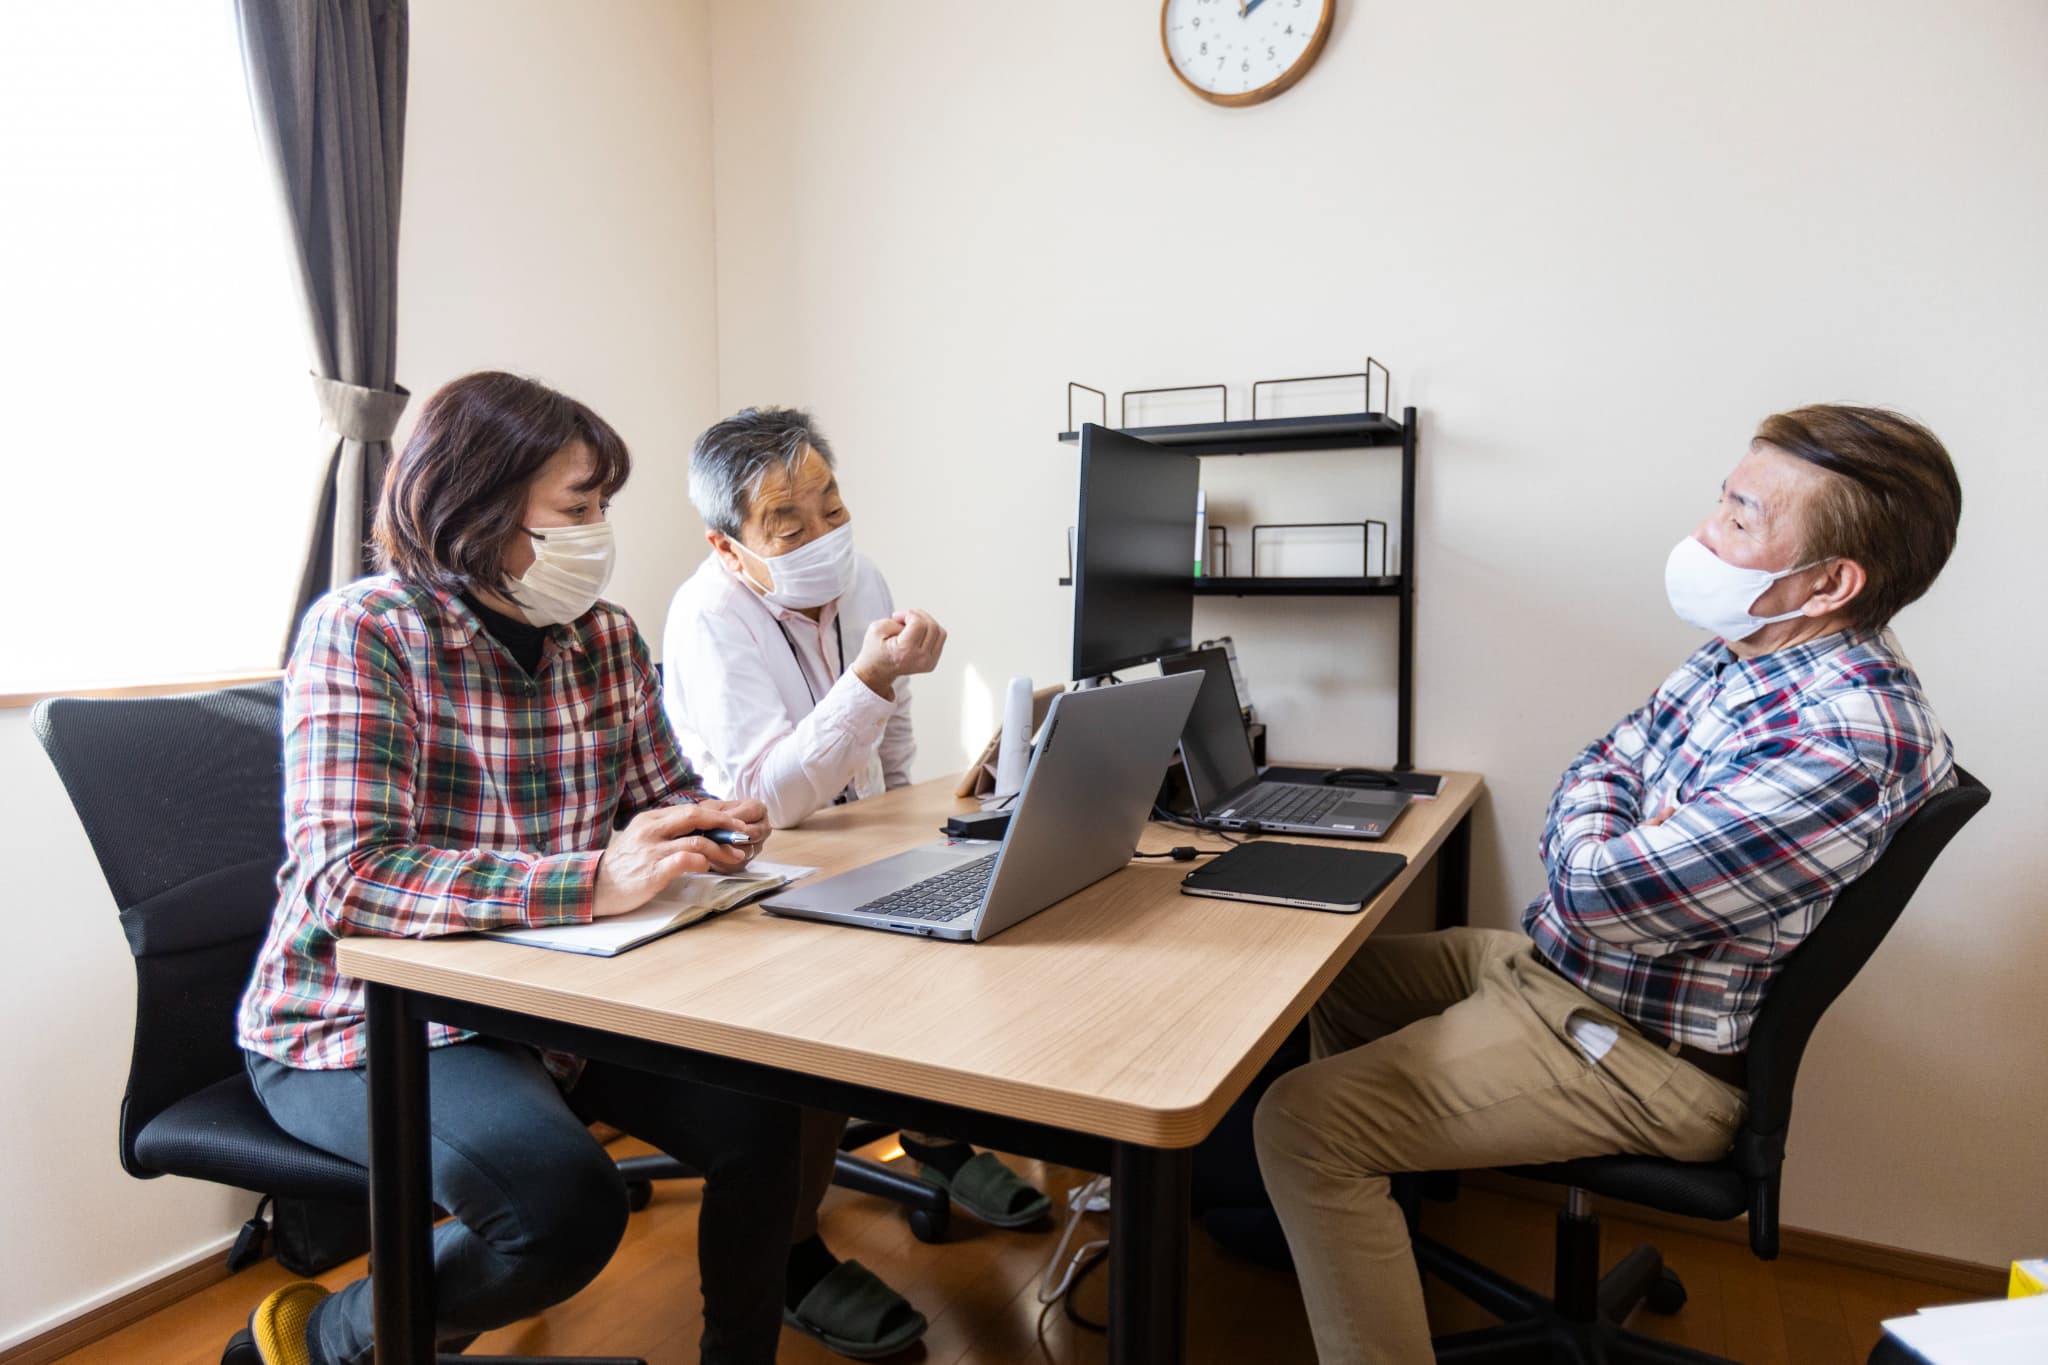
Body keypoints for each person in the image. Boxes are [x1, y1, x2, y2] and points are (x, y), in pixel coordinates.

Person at [1252, 405, 1962, 1365]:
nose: (1707, 532)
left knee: (1303, 1125)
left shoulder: (1850, 737)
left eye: (1742, 517)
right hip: (1565, 976)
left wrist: (1600, 842)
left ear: (1832, 581)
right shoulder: (1750, 650)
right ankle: (1361, 1241)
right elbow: (1602, 760)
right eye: (1721, 500)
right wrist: (1607, 830)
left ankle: (1344, 1206)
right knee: (1316, 984)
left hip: (1641, 1052)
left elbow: (1598, 895)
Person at [233, 372, 801, 1365]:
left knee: (770, 1109)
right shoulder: (366, 630)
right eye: (576, 509)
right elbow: (350, 877)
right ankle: (327, 1336)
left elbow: (658, 796)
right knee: (559, 1206)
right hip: (358, 1020)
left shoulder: (602, 637)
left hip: (554, 1002)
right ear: (478, 507)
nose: (598, 533)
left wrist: (706, 826)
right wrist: (591, 881)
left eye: (602, 506)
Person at [662, 406, 1051, 1358]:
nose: (823, 534)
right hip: (754, 871)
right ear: (727, 544)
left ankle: (935, 1135)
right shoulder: (707, 618)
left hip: (852, 838)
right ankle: (795, 1253)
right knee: (817, 1025)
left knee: (961, 926)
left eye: (831, 505)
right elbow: (765, 798)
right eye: (788, 522)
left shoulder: (859, 573)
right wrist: (869, 679)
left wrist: (916, 814)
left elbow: (893, 732)